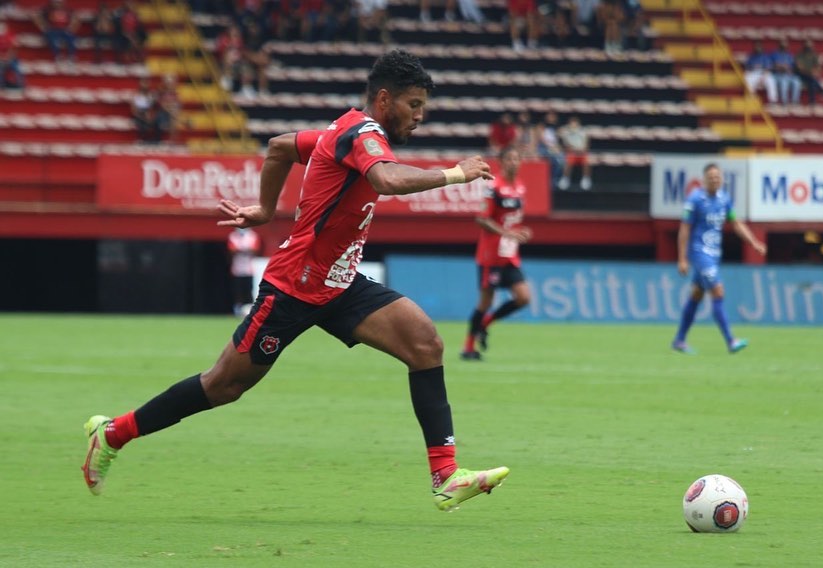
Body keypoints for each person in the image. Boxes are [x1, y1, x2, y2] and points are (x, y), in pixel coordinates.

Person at [81, 49, 509, 512]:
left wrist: (265, 210)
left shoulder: (344, 131)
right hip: (294, 286)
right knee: (224, 385)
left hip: (340, 284)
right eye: (414, 105)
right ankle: (113, 434)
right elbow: (385, 180)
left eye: (424, 106)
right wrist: (454, 174)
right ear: (384, 99)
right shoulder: (362, 134)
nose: (421, 116)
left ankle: (446, 475)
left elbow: (281, 145)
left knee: (426, 344)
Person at [671, 163, 766, 355]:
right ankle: (731, 341)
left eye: (718, 176)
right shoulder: (695, 200)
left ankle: (679, 340)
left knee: (697, 295)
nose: (715, 179)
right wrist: (682, 258)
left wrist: (754, 242)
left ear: (722, 179)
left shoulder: (724, 199)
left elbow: (736, 223)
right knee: (718, 290)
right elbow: (684, 229)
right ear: (704, 179)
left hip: (713, 255)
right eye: (711, 176)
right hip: (699, 253)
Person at [461, 146, 532, 361]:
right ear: (501, 162)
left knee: (523, 297)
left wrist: (520, 232)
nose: (513, 162)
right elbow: (481, 218)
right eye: (509, 158)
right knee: (485, 302)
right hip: (490, 255)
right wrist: (507, 233)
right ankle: (468, 347)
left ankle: (485, 324)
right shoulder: (494, 187)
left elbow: (511, 219)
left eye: (516, 158)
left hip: (509, 255)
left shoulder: (520, 187)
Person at [227, 226, 263, 316]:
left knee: (248, 290)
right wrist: (245, 250)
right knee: (238, 292)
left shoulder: (252, 236)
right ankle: (237, 310)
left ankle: (249, 310)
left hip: (248, 269)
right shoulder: (233, 236)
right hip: (237, 269)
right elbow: (232, 250)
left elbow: (255, 250)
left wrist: (241, 250)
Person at [557, 115, 591, 191]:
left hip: (581, 152)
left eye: (575, 123)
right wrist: (572, 149)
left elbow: (586, 144)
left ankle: (586, 179)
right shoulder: (565, 132)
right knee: (568, 162)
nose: (573, 125)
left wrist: (582, 150)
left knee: (586, 162)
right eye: (572, 123)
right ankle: (565, 179)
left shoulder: (583, 131)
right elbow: (565, 144)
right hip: (571, 152)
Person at [795, 39, 823, 106]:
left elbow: (818, 66)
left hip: (810, 75)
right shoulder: (800, 55)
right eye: (807, 45)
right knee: (812, 80)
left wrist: (816, 72)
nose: (808, 47)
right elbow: (800, 68)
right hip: (801, 74)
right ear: (804, 46)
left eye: (810, 45)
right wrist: (810, 72)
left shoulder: (814, 55)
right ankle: (821, 91)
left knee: (812, 82)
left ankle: (812, 102)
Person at [771, 39, 800, 105]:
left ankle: (794, 101)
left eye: (785, 44)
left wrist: (789, 69)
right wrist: (781, 67)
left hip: (788, 74)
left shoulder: (789, 55)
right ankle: (785, 102)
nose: (784, 46)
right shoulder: (775, 54)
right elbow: (772, 66)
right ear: (779, 45)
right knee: (784, 82)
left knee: (797, 82)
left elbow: (792, 67)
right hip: (778, 75)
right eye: (782, 44)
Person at [0, 20, 25, 90]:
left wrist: (8, 57)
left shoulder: (11, 35)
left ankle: (21, 86)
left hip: (10, 58)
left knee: (17, 68)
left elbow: (14, 49)